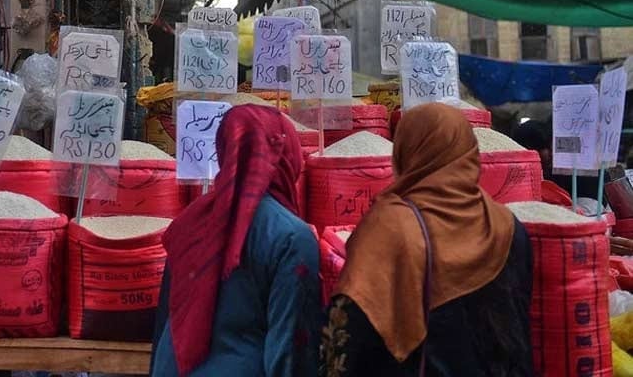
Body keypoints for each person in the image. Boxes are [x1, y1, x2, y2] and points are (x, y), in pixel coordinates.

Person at [319, 104, 533, 377]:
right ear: (469, 152)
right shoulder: (507, 225)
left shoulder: (390, 227)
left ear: (406, 151)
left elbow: (349, 329)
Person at [151, 105, 321, 377]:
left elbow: (164, 326)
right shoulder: (292, 237)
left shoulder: (188, 222)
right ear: (285, 155)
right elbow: (290, 348)